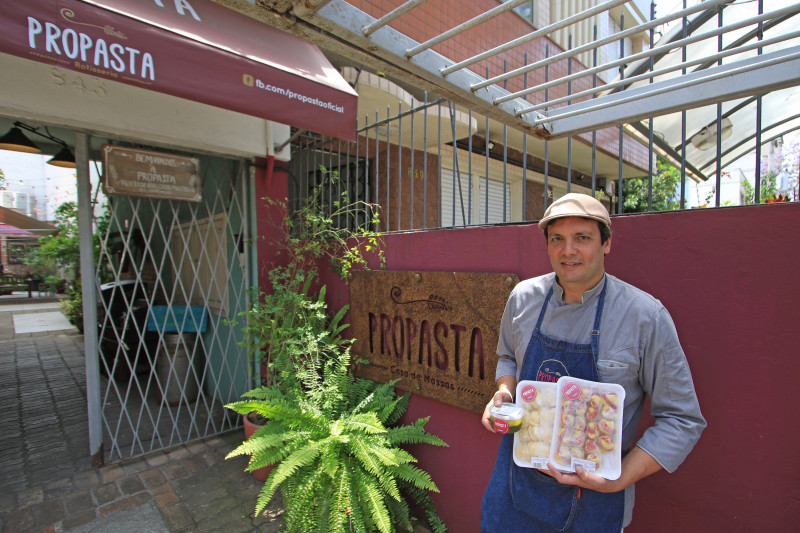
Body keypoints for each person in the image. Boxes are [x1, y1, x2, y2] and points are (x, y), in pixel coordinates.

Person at [480, 193, 705, 532]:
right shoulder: (523, 298)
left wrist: (619, 480)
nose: (568, 250)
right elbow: (508, 356)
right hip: (514, 489)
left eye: (582, 238)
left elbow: (682, 419)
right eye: (557, 239)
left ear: (607, 243)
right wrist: (504, 393)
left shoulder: (645, 318)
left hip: (595, 501)